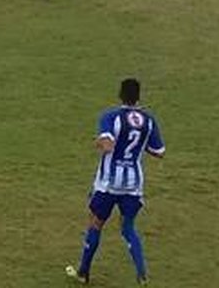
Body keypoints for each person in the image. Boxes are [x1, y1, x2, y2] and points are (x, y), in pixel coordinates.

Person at [65, 78, 165, 285]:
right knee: (128, 227)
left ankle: (83, 272)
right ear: (139, 97)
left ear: (120, 95)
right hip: (133, 184)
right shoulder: (149, 120)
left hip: (109, 183)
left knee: (95, 222)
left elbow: (108, 145)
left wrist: (99, 142)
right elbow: (159, 151)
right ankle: (142, 273)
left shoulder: (110, 116)